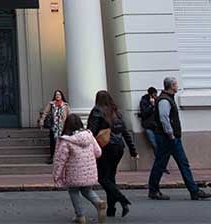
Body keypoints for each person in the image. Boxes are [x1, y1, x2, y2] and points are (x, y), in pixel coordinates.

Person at [147, 76, 211, 201]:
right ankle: (192, 190)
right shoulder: (165, 100)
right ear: (171, 86)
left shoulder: (167, 98)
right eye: (176, 84)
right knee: (170, 163)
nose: (177, 86)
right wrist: (170, 133)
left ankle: (193, 190)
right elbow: (163, 117)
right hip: (168, 138)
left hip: (170, 137)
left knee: (171, 163)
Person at [88, 90, 138, 218]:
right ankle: (111, 209)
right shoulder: (115, 111)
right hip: (119, 148)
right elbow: (125, 132)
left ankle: (122, 199)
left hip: (105, 148)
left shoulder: (97, 111)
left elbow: (92, 132)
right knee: (110, 177)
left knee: (102, 178)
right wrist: (133, 151)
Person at [53, 113, 107, 224]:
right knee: (87, 190)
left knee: (73, 191)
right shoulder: (89, 136)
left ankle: (80, 216)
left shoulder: (66, 141)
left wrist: (57, 176)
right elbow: (98, 153)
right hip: (89, 172)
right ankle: (98, 202)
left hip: (74, 173)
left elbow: (60, 161)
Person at [139, 87, 168, 174]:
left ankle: (161, 165)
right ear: (150, 95)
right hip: (148, 126)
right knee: (155, 145)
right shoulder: (144, 101)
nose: (156, 96)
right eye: (154, 95)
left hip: (156, 127)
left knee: (160, 146)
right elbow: (144, 114)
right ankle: (160, 166)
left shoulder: (158, 101)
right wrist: (151, 106)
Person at [38, 89, 69, 163]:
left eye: (59, 94)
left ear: (61, 96)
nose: (57, 96)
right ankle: (52, 157)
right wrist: (42, 120)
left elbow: (69, 115)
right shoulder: (52, 104)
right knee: (53, 142)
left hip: (62, 126)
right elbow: (45, 112)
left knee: (62, 142)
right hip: (53, 126)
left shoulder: (65, 105)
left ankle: (62, 158)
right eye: (56, 95)